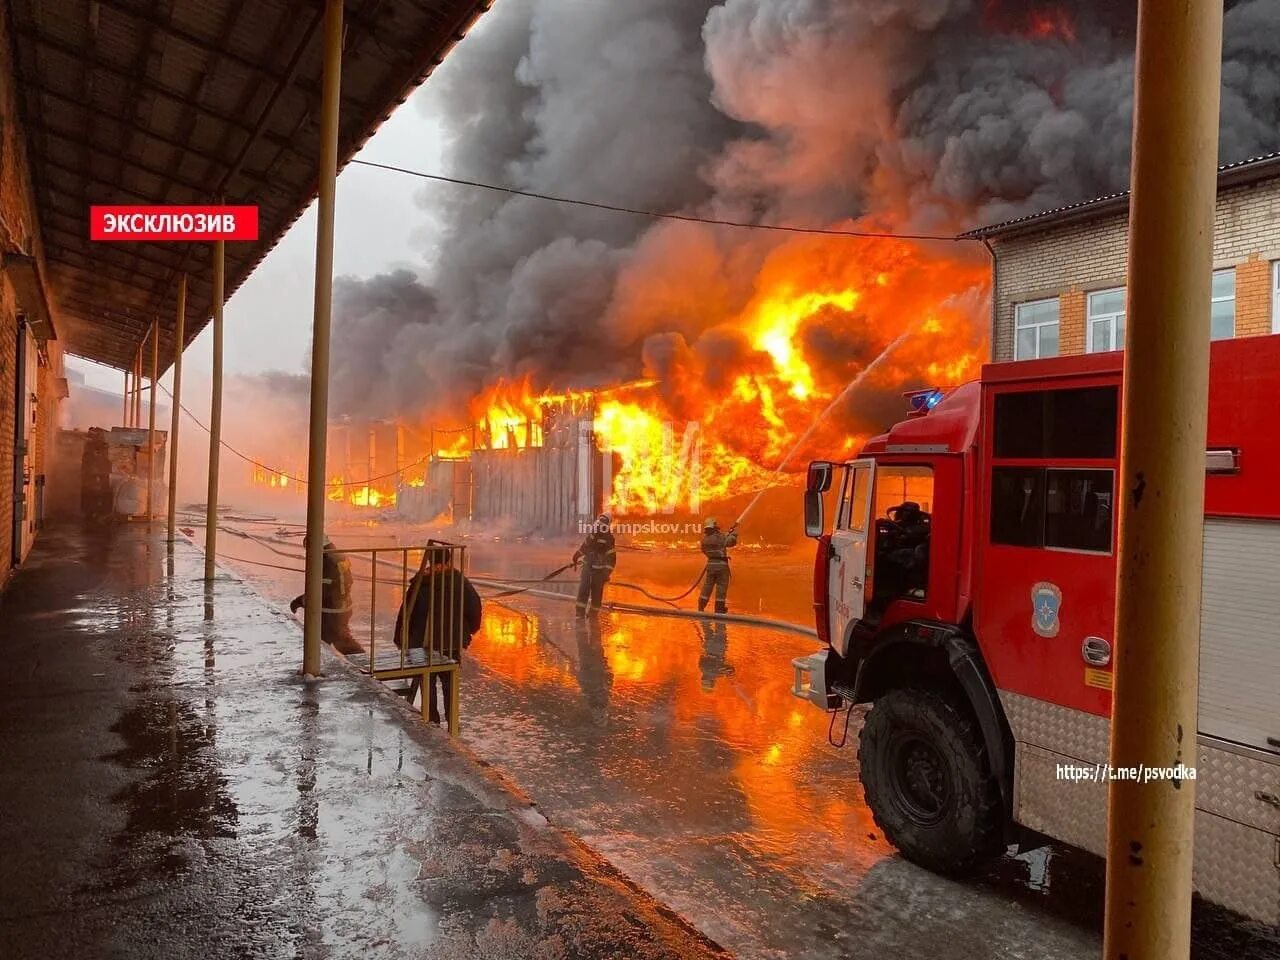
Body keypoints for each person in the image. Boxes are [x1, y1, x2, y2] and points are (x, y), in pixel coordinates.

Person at [394, 545, 482, 726]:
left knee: (431, 683)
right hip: (447, 641)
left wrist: (401, 637)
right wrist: (468, 631)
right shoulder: (458, 582)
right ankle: (447, 722)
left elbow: (406, 613)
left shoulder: (421, 582)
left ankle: (435, 721)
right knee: (445, 684)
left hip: (426, 642)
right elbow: (474, 608)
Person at [289, 535, 364, 655]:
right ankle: (360, 661)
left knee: (330, 640)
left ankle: (362, 664)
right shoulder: (338, 556)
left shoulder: (325, 561)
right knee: (333, 639)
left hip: (331, 610)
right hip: (342, 606)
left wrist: (300, 601)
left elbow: (320, 590)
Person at [572, 514, 616, 614]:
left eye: (602, 523)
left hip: (599, 572)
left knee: (596, 597)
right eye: (599, 523)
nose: (599, 525)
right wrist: (577, 555)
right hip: (587, 569)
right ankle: (579, 616)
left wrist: (605, 574)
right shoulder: (593, 534)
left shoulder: (609, 539)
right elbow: (585, 547)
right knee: (583, 592)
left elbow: (611, 559)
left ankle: (593, 618)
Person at [697, 517, 738, 614]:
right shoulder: (720, 537)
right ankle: (719, 610)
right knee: (721, 588)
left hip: (710, 565)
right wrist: (733, 534)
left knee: (707, 586)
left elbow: (704, 550)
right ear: (714, 526)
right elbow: (730, 542)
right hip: (721, 566)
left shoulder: (704, 540)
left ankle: (701, 606)